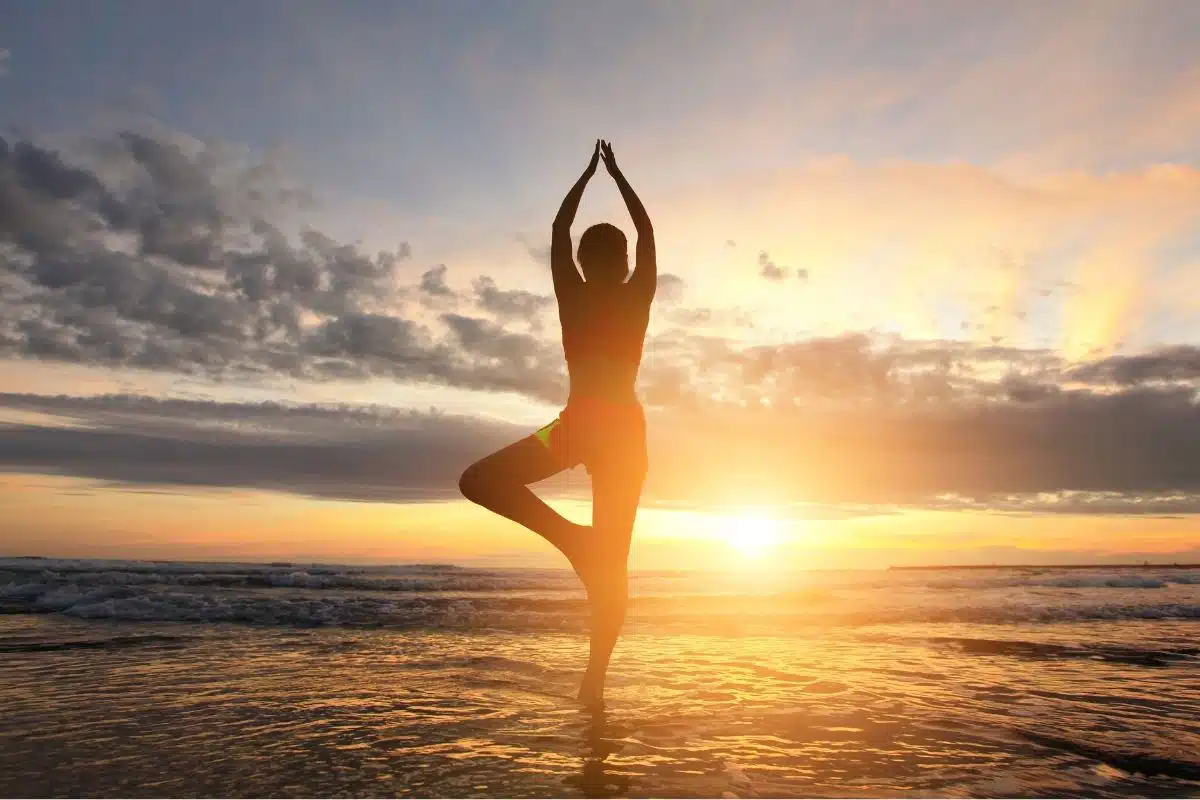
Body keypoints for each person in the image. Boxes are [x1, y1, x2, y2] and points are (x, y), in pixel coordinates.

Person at [459, 139, 656, 709]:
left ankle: (592, 681)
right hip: (618, 430)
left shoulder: (572, 291)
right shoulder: (637, 292)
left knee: (480, 480)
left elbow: (557, 231)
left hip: (581, 425)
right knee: (609, 566)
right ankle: (593, 672)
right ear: (618, 263)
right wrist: (616, 176)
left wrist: (588, 176)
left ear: (591, 263)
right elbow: (643, 233)